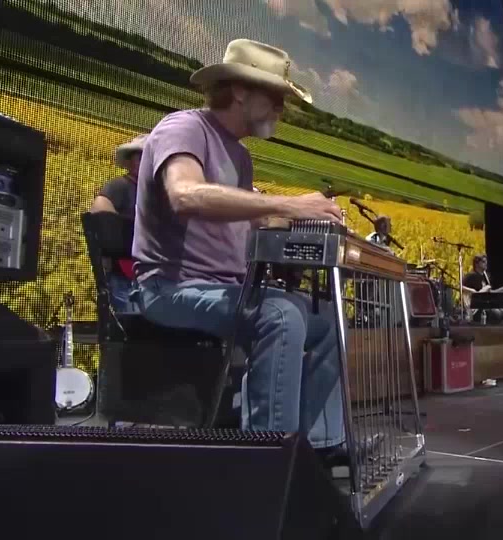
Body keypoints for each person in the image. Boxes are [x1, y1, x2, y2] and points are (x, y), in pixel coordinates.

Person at [130, 39, 348, 453]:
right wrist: (289, 204)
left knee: (329, 320)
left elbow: (251, 219)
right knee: (281, 315)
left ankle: (310, 447)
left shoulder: (240, 156)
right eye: (275, 97)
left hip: (225, 289)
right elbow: (185, 195)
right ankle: (264, 457)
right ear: (241, 91)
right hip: (170, 288)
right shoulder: (184, 128)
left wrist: (310, 222)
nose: (281, 108)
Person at [91, 135, 148, 313]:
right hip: (125, 272)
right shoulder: (119, 186)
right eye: (139, 157)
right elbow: (99, 213)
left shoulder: (155, 192)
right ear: (130, 162)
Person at [461, 254, 503, 325]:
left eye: (486, 261)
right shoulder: (471, 275)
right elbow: (460, 287)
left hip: (485, 306)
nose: (486, 263)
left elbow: (490, 293)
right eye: (483, 262)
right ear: (477, 264)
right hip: (475, 309)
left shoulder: (485, 277)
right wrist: (473, 291)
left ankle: (498, 330)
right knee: (497, 313)